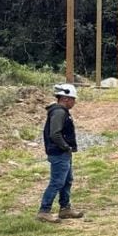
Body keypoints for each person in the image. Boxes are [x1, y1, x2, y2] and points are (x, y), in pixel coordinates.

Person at [38, 83, 83, 223]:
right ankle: (44, 211)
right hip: (59, 153)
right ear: (65, 98)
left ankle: (65, 208)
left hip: (63, 153)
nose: (74, 102)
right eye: (73, 99)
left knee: (67, 180)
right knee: (57, 182)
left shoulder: (61, 111)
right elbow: (55, 134)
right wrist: (66, 147)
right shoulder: (59, 112)